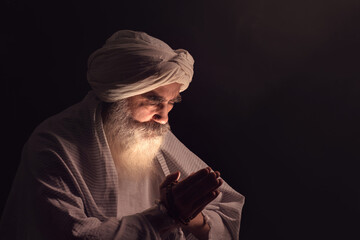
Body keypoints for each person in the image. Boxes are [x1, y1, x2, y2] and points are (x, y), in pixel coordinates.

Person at [0, 30, 244, 240]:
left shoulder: (152, 134)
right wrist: (167, 215)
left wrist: (192, 215)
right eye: (153, 101)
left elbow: (224, 215)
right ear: (116, 97)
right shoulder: (53, 145)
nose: (164, 117)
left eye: (171, 103)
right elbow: (70, 235)